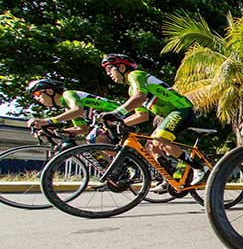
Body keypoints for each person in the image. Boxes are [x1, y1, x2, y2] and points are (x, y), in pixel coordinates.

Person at [99, 53, 208, 193]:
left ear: (120, 67)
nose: (108, 73)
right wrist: (121, 122)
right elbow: (142, 115)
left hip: (181, 109)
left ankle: (198, 167)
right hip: (169, 114)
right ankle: (170, 178)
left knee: (159, 140)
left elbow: (140, 97)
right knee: (150, 146)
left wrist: (117, 113)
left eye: (109, 69)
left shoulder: (136, 75)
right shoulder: (131, 89)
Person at [26, 78, 120, 143]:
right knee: (93, 139)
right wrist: (59, 131)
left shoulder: (68, 94)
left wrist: (47, 121)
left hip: (116, 114)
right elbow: (82, 129)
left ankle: (124, 166)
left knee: (93, 138)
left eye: (37, 94)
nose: (36, 98)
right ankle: (122, 167)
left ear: (50, 91)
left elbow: (77, 110)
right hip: (108, 121)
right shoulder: (68, 107)